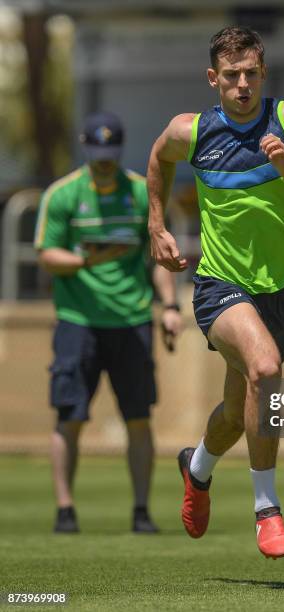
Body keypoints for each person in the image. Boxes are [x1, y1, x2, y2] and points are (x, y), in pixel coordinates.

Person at [147, 26, 284, 559]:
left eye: (251, 75)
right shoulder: (190, 131)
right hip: (219, 284)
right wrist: (156, 226)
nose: (242, 85)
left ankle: (197, 469)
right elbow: (158, 158)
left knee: (237, 415)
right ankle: (267, 509)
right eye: (231, 76)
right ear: (213, 78)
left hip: (278, 289)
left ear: (263, 74)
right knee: (265, 368)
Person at [34, 112, 182, 534]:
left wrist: (169, 307)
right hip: (78, 320)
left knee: (139, 417)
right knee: (70, 415)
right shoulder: (63, 195)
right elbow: (46, 254)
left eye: (110, 152)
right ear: (86, 147)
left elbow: (159, 257)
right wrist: (85, 259)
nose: (103, 160)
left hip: (133, 319)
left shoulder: (140, 193)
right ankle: (65, 509)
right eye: (97, 152)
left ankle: (141, 511)